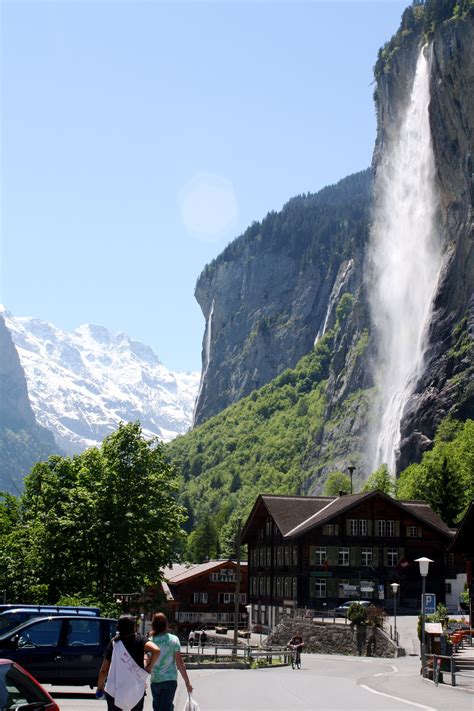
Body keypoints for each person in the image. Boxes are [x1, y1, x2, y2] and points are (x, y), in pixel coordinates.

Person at [96, 614, 160, 711]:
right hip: (136, 690)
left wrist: (100, 686)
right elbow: (156, 650)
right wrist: (149, 667)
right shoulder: (140, 640)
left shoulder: (114, 642)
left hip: (114, 691)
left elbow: (104, 670)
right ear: (133, 627)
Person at [149, 612, 193, 711]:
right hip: (170, 680)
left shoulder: (150, 641)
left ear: (153, 625)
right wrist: (187, 682)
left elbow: (146, 661)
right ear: (166, 625)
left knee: (158, 708)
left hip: (155, 680)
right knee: (166, 707)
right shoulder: (174, 640)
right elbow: (179, 663)